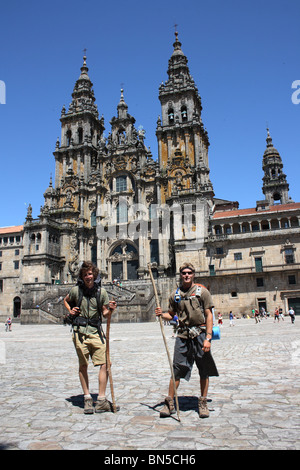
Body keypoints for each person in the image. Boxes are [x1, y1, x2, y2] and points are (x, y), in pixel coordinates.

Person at [155, 262, 219, 419]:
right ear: (180, 275)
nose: (186, 275)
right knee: (176, 369)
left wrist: (208, 338)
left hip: (200, 334)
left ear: (193, 274)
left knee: (203, 369)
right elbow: (171, 314)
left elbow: (209, 315)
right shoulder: (175, 295)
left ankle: (202, 402)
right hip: (183, 336)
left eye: (189, 273)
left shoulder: (202, 292)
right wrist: (161, 314)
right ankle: (169, 402)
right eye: (184, 273)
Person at [64, 261, 117, 414]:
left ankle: (101, 400)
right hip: (80, 332)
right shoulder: (76, 291)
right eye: (85, 274)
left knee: (106, 363)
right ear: (82, 276)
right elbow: (65, 300)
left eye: (90, 274)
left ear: (95, 275)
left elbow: (105, 313)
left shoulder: (101, 292)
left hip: (95, 332)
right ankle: (87, 398)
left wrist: (111, 310)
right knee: (83, 365)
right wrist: (71, 311)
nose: (88, 276)